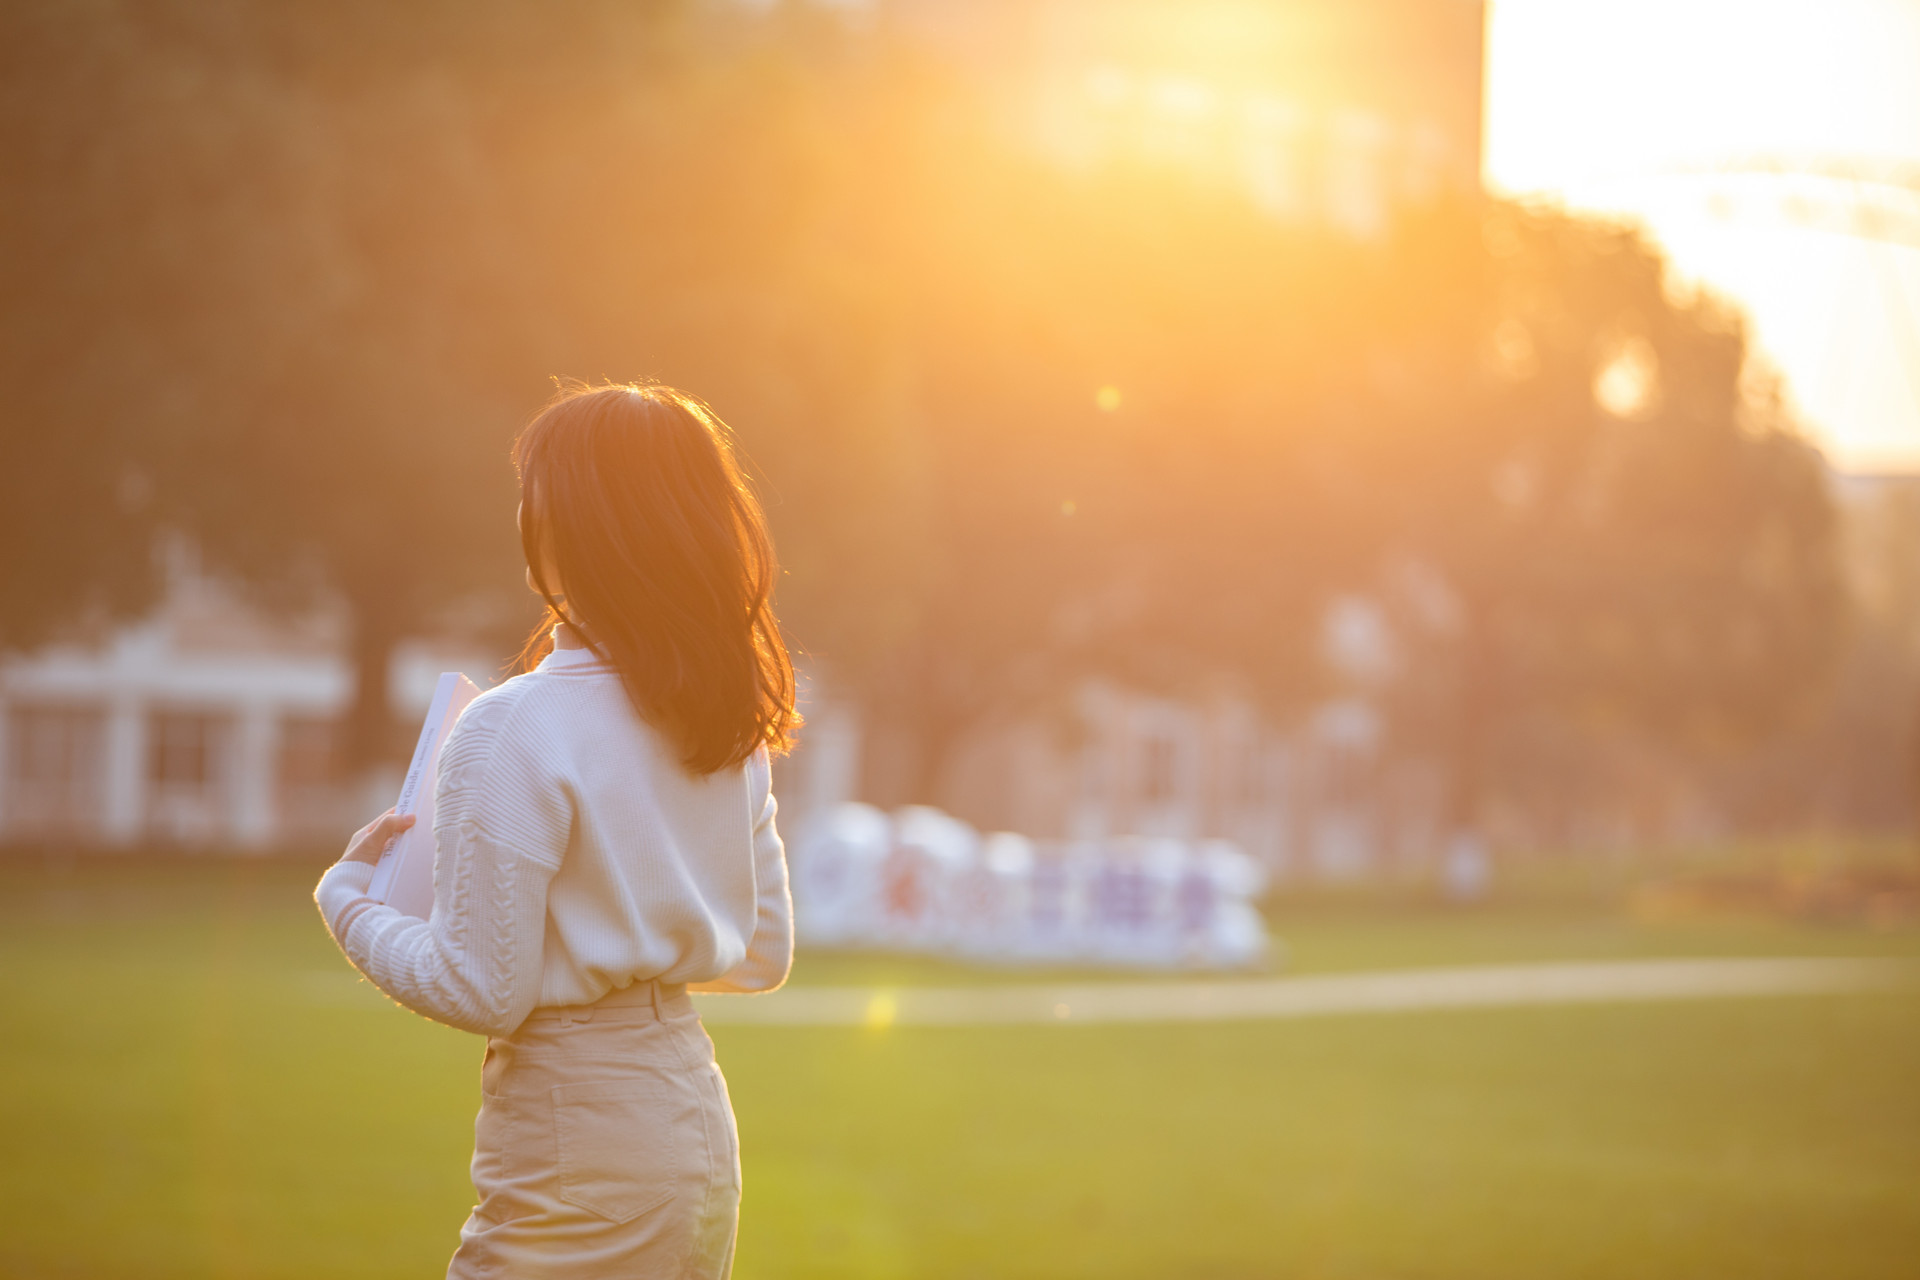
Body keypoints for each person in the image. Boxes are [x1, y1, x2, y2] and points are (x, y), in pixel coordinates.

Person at [314, 382, 797, 1279]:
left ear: (569, 528)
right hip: (690, 1122)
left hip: (579, 1136)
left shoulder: (512, 726)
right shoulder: (726, 718)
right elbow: (761, 952)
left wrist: (348, 905)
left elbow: (481, 990)